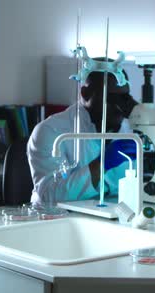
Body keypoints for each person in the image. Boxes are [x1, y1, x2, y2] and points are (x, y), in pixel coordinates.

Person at [28, 67, 138, 204]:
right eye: (111, 98)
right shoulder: (51, 131)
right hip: (60, 219)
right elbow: (50, 196)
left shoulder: (129, 129)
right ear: (85, 93)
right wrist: (101, 164)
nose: (119, 107)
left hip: (110, 215)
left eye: (124, 98)